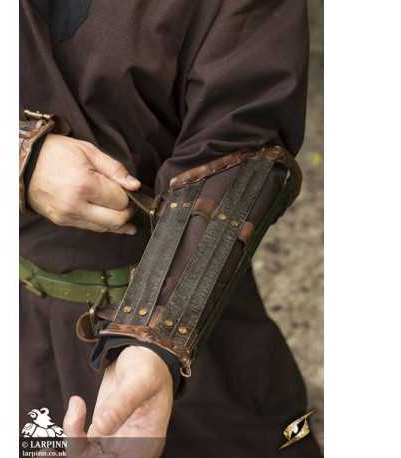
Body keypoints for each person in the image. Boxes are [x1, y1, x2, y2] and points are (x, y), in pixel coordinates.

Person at [19, 1, 322, 456]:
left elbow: (243, 142)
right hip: (21, 328)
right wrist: (21, 156)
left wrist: (157, 336)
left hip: (193, 325)